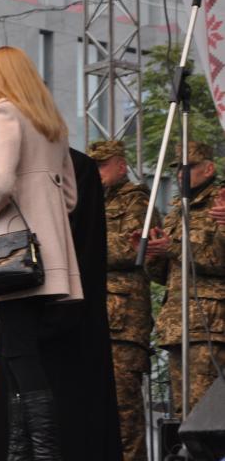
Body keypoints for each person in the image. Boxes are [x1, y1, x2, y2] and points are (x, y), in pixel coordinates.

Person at [0, 46, 80, 460]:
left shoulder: (3, 113)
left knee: (19, 356)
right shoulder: (51, 123)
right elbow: (70, 198)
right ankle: (24, 454)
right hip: (51, 258)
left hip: (15, 258)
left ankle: (38, 455)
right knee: (24, 357)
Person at [0, 149, 123, 461]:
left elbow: (83, 237)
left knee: (44, 397)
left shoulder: (70, 166)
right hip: (45, 297)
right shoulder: (56, 164)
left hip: (44, 300)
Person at [142, 141, 225, 416]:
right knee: (181, 413)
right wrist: (153, 254)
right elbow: (166, 276)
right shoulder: (178, 209)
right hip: (178, 324)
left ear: (209, 168)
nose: (180, 174)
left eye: (189, 168)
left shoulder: (220, 203)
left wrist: (174, 248)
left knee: (204, 412)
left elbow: (218, 260)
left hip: (209, 324)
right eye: (178, 169)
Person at [87, 139, 158, 461]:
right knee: (94, 408)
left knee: (123, 410)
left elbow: (133, 249)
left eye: (102, 165)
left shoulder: (138, 200)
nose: (97, 172)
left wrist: (83, 247)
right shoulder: (89, 202)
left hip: (125, 322)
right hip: (93, 315)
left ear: (120, 165)